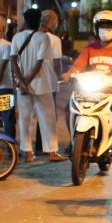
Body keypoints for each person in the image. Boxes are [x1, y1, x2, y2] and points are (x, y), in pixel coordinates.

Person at [63, 10, 112, 160]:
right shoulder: (90, 48)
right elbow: (78, 64)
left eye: (109, 27)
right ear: (96, 29)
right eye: (102, 27)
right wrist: (70, 72)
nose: (105, 30)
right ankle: (74, 140)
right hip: (90, 89)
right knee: (69, 109)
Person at [10, 9, 66, 162]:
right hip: (41, 84)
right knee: (47, 117)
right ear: (38, 21)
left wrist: (22, 82)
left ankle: (27, 152)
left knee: (24, 119)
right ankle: (52, 152)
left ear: (26, 21)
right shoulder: (43, 38)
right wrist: (28, 81)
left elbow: (13, 61)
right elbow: (40, 63)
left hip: (22, 86)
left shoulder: (17, 37)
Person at [34, 9, 62, 154]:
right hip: (49, 81)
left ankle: (36, 147)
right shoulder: (55, 40)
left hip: (32, 80)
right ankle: (49, 149)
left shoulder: (32, 36)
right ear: (53, 22)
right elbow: (56, 63)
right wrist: (58, 78)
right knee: (49, 115)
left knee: (35, 114)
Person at [0, 15, 15, 139]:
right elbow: (4, 66)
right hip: (5, 88)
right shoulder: (7, 45)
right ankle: (11, 148)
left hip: (5, 87)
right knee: (8, 118)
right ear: (4, 28)